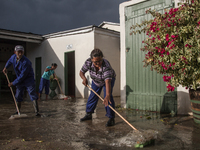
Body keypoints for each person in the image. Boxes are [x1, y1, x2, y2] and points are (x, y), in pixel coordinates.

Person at [80, 48, 116, 126]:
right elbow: (81, 72)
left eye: (100, 61)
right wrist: (84, 78)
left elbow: (107, 82)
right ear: (91, 60)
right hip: (96, 81)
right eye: (95, 62)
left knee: (108, 98)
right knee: (93, 96)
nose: (98, 63)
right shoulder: (88, 62)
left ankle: (111, 118)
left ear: (102, 58)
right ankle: (89, 114)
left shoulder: (106, 66)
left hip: (108, 80)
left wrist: (107, 95)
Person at [3, 45, 40, 116]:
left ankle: (37, 112)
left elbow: (23, 76)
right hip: (20, 79)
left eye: (21, 52)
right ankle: (18, 111)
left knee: (32, 93)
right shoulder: (13, 57)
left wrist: (13, 83)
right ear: (15, 52)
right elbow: (9, 61)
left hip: (28, 79)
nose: (20, 54)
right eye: (18, 52)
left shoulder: (26, 62)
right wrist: (5, 67)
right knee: (18, 94)